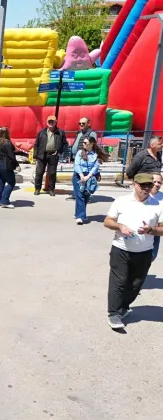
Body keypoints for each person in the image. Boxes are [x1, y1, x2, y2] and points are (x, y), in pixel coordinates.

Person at [103, 173, 163, 330]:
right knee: (119, 282)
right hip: (121, 249)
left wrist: (152, 229)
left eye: (149, 186)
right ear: (134, 184)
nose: (146, 189)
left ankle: (123, 307)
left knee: (136, 284)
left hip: (144, 252)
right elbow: (108, 221)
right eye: (142, 185)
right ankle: (114, 313)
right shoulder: (121, 202)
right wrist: (120, 226)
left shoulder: (157, 204)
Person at [73, 137, 109, 225]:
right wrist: (81, 176)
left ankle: (78, 213)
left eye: (86, 143)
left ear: (91, 144)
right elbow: (76, 164)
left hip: (89, 177)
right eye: (83, 143)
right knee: (79, 196)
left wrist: (88, 177)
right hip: (78, 176)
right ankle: (80, 216)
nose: (83, 144)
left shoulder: (96, 155)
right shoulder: (80, 153)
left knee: (86, 196)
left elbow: (95, 167)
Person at [33, 115, 67, 196]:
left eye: (53, 121)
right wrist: (35, 156)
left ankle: (51, 189)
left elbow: (65, 144)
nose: (51, 123)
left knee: (52, 173)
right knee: (39, 172)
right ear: (47, 122)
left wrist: (59, 152)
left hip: (53, 155)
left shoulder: (61, 133)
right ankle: (37, 189)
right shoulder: (41, 132)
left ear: (56, 122)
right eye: (49, 121)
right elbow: (36, 145)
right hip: (42, 155)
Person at [0, 127, 19, 209]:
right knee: (11, 182)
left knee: (1, 182)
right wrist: (17, 164)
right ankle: (4, 201)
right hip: (5, 165)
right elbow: (11, 156)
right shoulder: (7, 143)